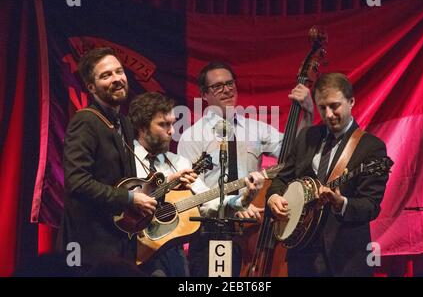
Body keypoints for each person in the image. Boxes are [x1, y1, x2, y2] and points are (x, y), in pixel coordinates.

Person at [177, 61, 313, 276]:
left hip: (252, 231)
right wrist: (236, 204)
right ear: (204, 95)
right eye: (217, 86)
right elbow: (194, 190)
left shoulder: (255, 129)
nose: (227, 89)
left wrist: (307, 113)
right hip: (211, 233)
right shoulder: (192, 136)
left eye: (230, 83)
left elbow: (295, 155)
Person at [128, 91, 265, 276]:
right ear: (142, 128)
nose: (172, 131)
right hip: (132, 248)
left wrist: (243, 199)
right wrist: (164, 185)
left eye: (172, 124)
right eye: (163, 125)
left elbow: (208, 202)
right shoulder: (126, 159)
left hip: (172, 254)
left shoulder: (179, 162)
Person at [267, 73, 390, 277]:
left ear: (351, 101)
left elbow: (371, 206)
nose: (329, 114)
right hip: (301, 253)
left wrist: (341, 203)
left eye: (335, 106)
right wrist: (273, 197)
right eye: (322, 107)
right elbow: (282, 178)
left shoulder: (371, 148)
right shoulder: (306, 136)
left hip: (344, 260)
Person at [57, 47, 157, 272]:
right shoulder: (86, 121)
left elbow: (124, 180)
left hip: (119, 243)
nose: (116, 79)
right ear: (91, 87)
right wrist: (130, 198)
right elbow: (77, 182)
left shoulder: (124, 122)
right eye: (106, 75)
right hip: (90, 248)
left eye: (119, 72)